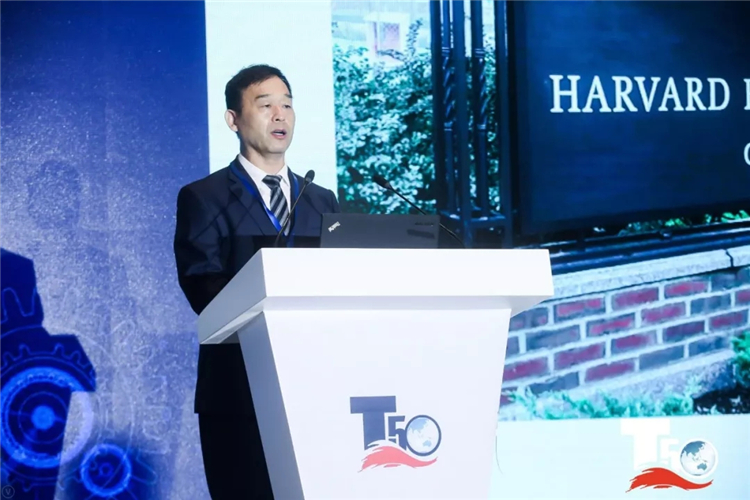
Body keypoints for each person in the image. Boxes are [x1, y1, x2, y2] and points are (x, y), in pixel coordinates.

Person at [173, 64, 340, 499]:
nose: (280, 115)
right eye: (265, 105)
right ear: (233, 119)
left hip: (316, 387)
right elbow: (202, 286)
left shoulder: (321, 200)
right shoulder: (203, 197)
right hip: (238, 391)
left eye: (287, 105)